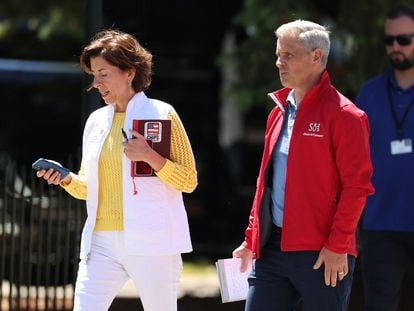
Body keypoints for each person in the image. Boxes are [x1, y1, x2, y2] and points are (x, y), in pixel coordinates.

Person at [35, 29, 197, 311]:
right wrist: (65, 178)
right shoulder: (96, 121)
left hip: (153, 242)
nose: (95, 83)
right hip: (101, 242)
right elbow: (87, 187)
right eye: (93, 75)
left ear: (129, 72)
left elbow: (189, 180)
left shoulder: (162, 113)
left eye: (103, 74)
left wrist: (149, 156)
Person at [232, 20, 374, 311]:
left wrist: (337, 246)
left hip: (323, 252)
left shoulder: (347, 115)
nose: (279, 63)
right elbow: (265, 183)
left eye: (288, 55)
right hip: (272, 250)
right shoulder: (278, 113)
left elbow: (357, 187)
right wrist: (251, 239)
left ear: (316, 56)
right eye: (278, 54)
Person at [355, 5, 414, 311]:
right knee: (378, 305)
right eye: (389, 41)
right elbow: (352, 162)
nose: (395, 47)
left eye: (404, 40)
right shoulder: (368, 94)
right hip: (380, 224)